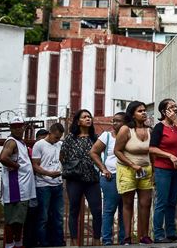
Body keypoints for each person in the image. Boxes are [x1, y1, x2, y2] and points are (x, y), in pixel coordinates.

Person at [149, 99, 177, 243]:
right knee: (162, 201)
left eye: (175, 106)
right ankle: (158, 235)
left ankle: (171, 232)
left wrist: (176, 121)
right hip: (163, 169)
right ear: (163, 111)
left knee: (172, 201)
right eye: (171, 107)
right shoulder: (159, 127)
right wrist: (169, 155)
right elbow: (152, 148)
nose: (174, 109)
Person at [60, 109, 102, 246]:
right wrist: (72, 166)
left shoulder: (95, 138)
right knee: (74, 210)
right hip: (74, 179)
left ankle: (96, 240)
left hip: (92, 179)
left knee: (97, 210)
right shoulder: (70, 138)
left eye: (89, 116)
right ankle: (73, 242)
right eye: (84, 117)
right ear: (78, 121)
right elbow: (62, 156)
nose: (88, 119)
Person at [114, 101, 153, 245]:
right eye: (140, 111)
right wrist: (132, 164)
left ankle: (144, 236)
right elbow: (117, 151)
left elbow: (152, 152)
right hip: (127, 169)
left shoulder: (150, 130)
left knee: (145, 203)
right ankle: (127, 237)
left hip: (145, 170)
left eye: (144, 110)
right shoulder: (125, 130)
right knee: (128, 203)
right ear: (132, 114)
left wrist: (153, 169)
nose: (144, 113)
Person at [0, 117, 37, 248]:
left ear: (24, 127)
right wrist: (17, 166)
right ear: (11, 128)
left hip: (23, 188)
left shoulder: (21, 142)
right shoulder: (12, 142)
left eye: (20, 126)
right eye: (15, 126)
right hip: (16, 188)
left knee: (19, 220)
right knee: (12, 220)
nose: (18, 129)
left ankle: (18, 244)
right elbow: (3, 157)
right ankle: (9, 245)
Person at [89, 112, 126, 246]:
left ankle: (124, 240)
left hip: (127, 176)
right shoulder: (107, 136)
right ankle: (107, 240)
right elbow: (93, 152)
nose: (114, 124)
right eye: (113, 121)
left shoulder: (129, 135)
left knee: (125, 209)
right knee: (110, 209)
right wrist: (103, 169)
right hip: (111, 176)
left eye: (118, 121)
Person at [31, 122, 65, 247]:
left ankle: (58, 242)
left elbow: (62, 160)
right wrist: (48, 174)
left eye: (59, 137)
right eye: (56, 137)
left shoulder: (59, 144)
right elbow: (35, 165)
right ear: (50, 133)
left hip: (58, 184)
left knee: (58, 217)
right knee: (43, 217)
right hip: (43, 185)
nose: (57, 139)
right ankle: (43, 243)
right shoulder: (39, 145)